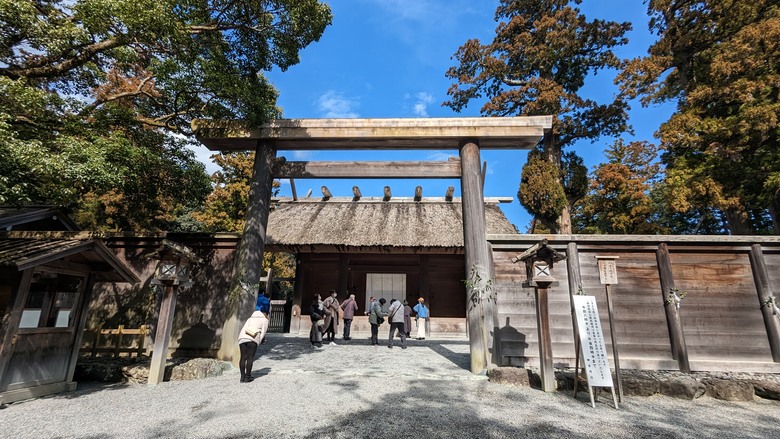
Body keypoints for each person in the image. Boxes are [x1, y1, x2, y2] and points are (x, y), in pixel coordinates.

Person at [237, 301, 270, 383]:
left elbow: (244, 328)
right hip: (252, 338)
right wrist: (259, 341)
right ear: (265, 313)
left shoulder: (250, 319)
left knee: (243, 357)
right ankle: (248, 377)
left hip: (242, 338)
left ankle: (242, 377)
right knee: (250, 358)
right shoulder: (264, 320)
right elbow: (263, 333)